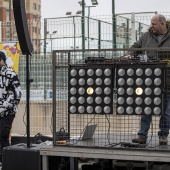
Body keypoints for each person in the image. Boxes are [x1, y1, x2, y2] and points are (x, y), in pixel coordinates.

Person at [129, 14, 170, 145]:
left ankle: (163, 135)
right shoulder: (146, 36)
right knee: (146, 108)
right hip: (149, 80)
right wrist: (130, 54)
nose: (151, 26)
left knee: (165, 111)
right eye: (151, 23)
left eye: (154, 23)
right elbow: (135, 48)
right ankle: (142, 135)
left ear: (163, 24)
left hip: (167, 80)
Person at [0, 51, 22, 164]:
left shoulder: (10, 74)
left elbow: (17, 95)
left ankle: (5, 162)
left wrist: (3, 107)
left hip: (7, 112)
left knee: (2, 137)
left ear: (3, 60)